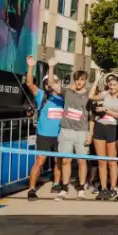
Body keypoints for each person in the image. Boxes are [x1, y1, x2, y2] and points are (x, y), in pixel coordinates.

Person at [46, 59, 96, 200]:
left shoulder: (89, 95)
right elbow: (52, 84)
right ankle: (65, 187)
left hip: (82, 132)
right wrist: (51, 67)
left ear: (85, 80)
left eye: (82, 79)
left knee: (81, 161)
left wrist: (90, 134)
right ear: (74, 80)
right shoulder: (67, 92)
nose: (79, 82)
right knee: (66, 161)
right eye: (77, 79)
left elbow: (92, 116)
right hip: (66, 131)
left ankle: (81, 188)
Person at [25, 56, 63, 201]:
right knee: (39, 162)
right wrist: (30, 67)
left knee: (57, 161)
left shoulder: (63, 97)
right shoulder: (41, 95)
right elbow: (29, 84)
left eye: (52, 82)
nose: (49, 84)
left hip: (59, 135)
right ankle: (32, 189)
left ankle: (57, 183)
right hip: (44, 135)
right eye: (46, 82)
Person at [91, 74, 118, 200]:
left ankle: (113, 188)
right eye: (110, 84)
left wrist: (106, 110)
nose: (112, 87)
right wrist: (96, 80)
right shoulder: (105, 94)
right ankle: (103, 188)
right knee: (101, 161)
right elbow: (91, 96)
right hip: (100, 127)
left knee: (111, 161)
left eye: (115, 85)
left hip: (113, 128)